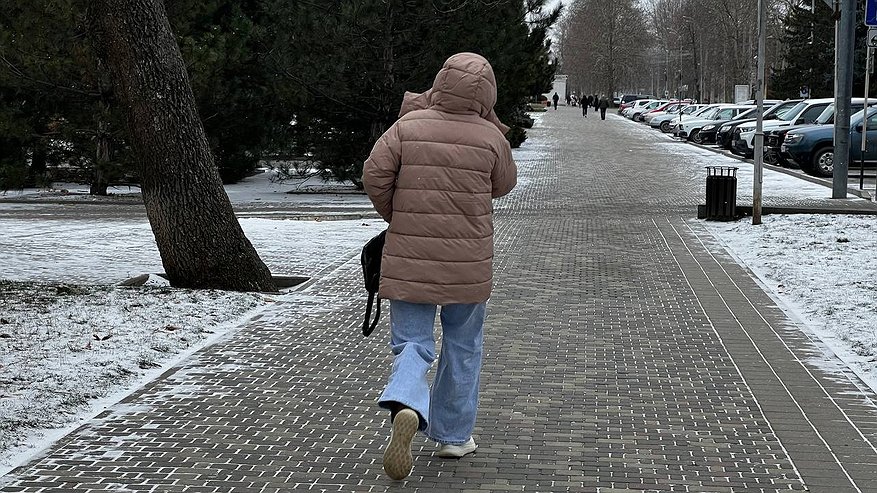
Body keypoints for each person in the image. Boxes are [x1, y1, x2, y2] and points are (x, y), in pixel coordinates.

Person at [362, 52, 517, 481]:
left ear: (440, 83)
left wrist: (398, 214)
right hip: (468, 266)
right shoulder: (490, 137)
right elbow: (504, 184)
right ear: (486, 94)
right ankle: (453, 435)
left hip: (410, 261)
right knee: (463, 346)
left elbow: (373, 174)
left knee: (412, 342)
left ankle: (408, 403)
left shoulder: (407, 127)